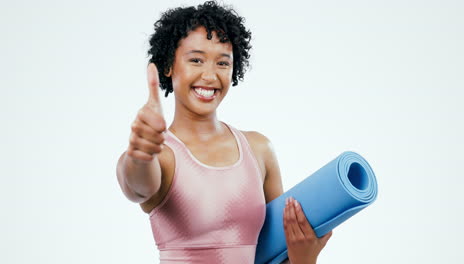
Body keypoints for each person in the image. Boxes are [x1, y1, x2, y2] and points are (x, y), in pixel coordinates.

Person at [116, 1, 332, 263]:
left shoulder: (258, 149)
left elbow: (278, 251)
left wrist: (304, 258)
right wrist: (140, 154)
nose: (209, 75)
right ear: (168, 65)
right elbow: (136, 187)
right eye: (196, 60)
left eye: (222, 63)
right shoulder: (162, 155)